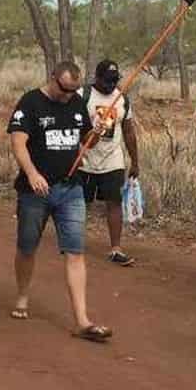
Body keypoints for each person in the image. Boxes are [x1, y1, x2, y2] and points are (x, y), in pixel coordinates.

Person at [9, 62, 112, 342]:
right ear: (53, 78)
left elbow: (84, 143)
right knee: (27, 246)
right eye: (65, 89)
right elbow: (18, 142)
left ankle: (82, 319)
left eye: (74, 90)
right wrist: (31, 174)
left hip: (71, 188)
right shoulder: (30, 102)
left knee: (75, 251)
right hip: (35, 191)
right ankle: (22, 294)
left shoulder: (77, 103)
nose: (69, 95)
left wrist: (96, 133)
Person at [80, 60, 141, 267]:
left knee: (114, 202)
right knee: (81, 203)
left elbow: (129, 130)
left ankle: (116, 248)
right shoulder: (83, 95)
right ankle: (74, 241)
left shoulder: (122, 98)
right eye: (107, 81)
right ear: (96, 78)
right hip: (85, 159)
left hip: (113, 159)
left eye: (115, 80)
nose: (111, 85)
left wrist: (135, 161)